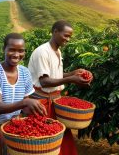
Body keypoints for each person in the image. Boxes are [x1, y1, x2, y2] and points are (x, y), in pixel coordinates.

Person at [27, 20, 93, 155]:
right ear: (55, 32)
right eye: (66, 35)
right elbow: (44, 81)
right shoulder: (42, 52)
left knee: (61, 139)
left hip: (55, 102)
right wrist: (71, 79)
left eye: (70, 36)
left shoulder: (57, 52)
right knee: (44, 143)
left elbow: (55, 75)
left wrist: (73, 73)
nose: (68, 39)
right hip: (42, 105)